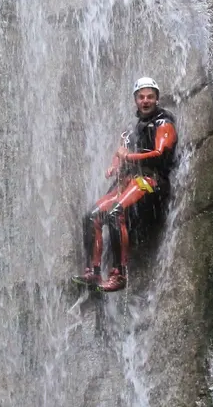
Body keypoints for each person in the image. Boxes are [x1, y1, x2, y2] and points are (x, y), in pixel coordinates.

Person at [76, 77, 178, 293]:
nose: (146, 100)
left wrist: (130, 157)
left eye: (150, 96)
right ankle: (93, 272)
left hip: (152, 180)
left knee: (115, 212)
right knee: (92, 216)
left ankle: (119, 274)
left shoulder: (164, 122)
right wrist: (115, 165)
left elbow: (159, 153)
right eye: (141, 97)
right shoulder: (133, 128)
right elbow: (121, 151)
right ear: (135, 100)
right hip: (131, 179)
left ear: (157, 99)